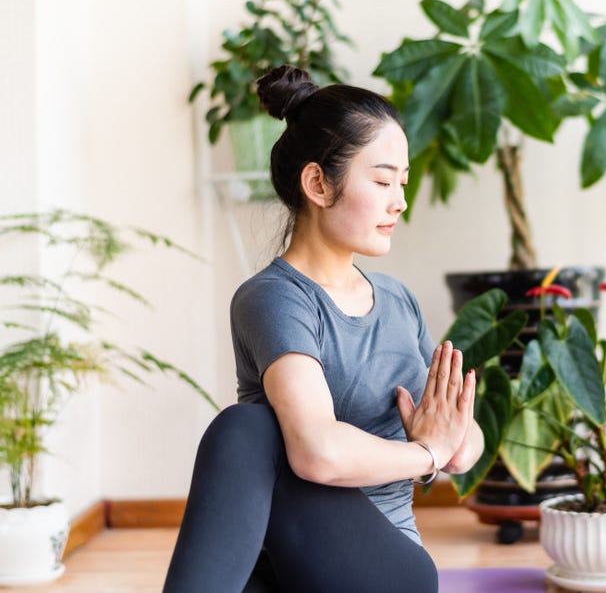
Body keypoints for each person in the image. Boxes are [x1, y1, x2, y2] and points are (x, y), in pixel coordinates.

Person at [163, 65, 483, 592]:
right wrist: (426, 453)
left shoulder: (399, 301)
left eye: (401, 183)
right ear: (317, 182)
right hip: (290, 564)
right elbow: (318, 451)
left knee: (247, 427)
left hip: (387, 570)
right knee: (251, 430)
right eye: (381, 181)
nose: (399, 200)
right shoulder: (275, 298)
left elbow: (465, 444)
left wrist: (443, 444)